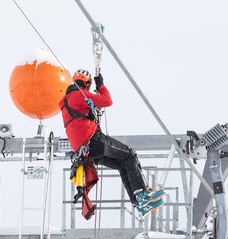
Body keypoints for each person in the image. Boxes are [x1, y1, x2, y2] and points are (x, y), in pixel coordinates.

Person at [60, 69, 159, 211]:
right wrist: (100, 85)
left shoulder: (65, 103)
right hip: (94, 141)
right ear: (86, 84)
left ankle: (138, 202)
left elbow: (79, 120)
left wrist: (92, 112)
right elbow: (107, 101)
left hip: (86, 153)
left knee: (122, 164)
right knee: (130, 155)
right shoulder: (80, 94)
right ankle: (141, 194)